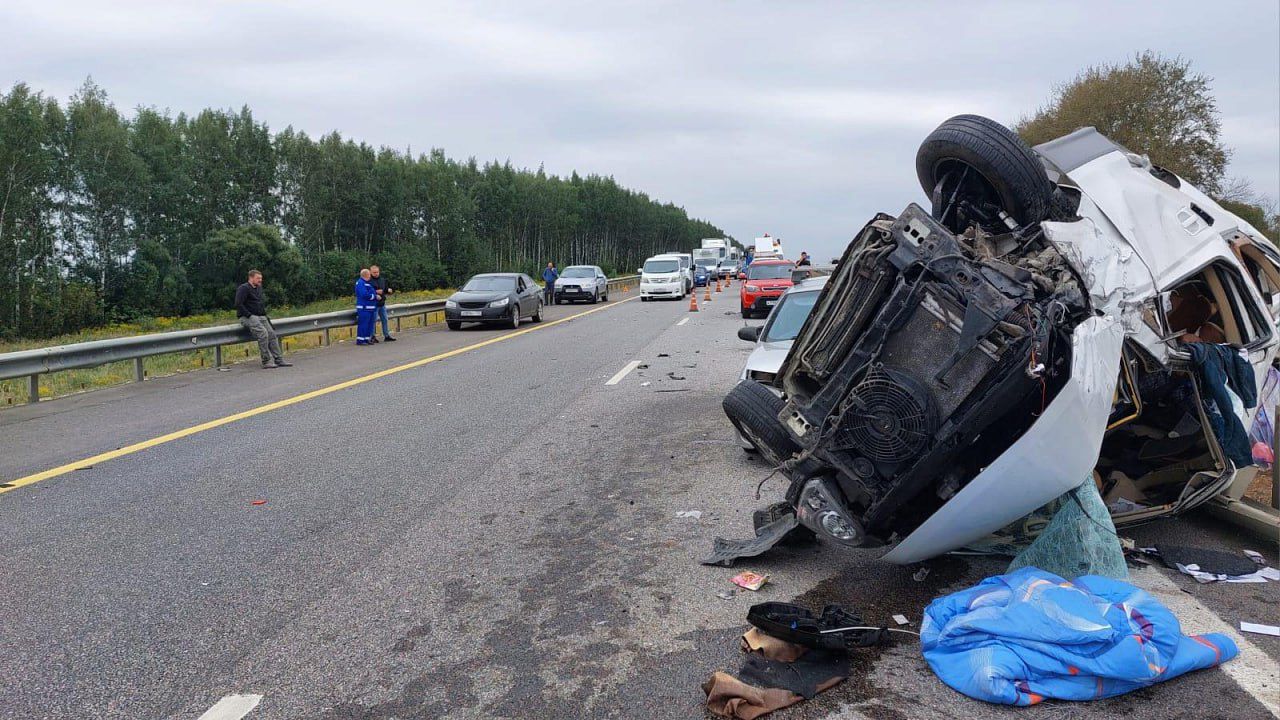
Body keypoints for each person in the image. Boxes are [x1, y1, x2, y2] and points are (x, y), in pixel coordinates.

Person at [235, 270, 291, 369]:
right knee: (263, 333)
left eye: (261, 278)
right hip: (247, 316)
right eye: (258, 278)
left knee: (272, 334)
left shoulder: (259, 288)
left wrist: (265, 316)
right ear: (251, 278)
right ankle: (266, 361)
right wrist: (249, 315)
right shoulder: (243, 288)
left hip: (261, 316)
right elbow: (238, 304)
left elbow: (259, 303)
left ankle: (279, 359)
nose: (260, 280)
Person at [369, 265, 396, 342]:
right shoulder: (369, 281)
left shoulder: (382, 279)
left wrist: (388, 290)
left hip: (382, 303)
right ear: (371, 272)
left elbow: (385, 289)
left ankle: (386, 335)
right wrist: (375, 292)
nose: (376, 273)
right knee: (373, 320)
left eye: (377, 272)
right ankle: (372, 337)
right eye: (374, 272)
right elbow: (366, 291)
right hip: (374, 304)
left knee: (385, 319)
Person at [354, 269, 379, 346]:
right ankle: (361, 340)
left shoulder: (366, 283)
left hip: (370, 308)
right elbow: (364, 295)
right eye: (369, 274)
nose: (370, 276)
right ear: (366, 275)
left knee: (369, 325)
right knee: (363, 324)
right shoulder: (360, 283)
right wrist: (375, 296)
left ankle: (367, 339)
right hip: (364, 308)